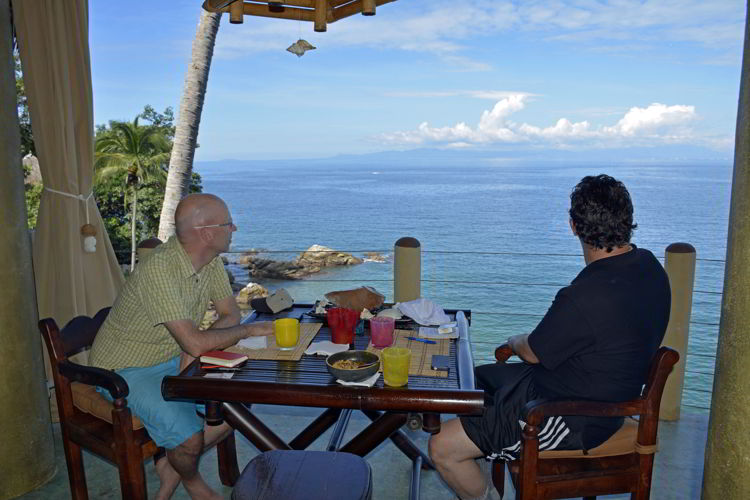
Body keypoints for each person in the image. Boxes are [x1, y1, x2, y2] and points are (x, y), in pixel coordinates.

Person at [428, 174, 671, 500]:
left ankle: (483, 487)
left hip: (573, 416)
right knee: (475, 381)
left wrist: (514, 340)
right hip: (587, 386)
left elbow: (532, 351)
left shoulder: (585, 295)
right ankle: (485, 447)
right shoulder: (649, 266)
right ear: (627, 219)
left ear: (573, 226)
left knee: (442, 447)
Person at [90, 193, 273, 500]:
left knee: (239, 403)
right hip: (125, 369)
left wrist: (194, 350)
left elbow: (230, 313)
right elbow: (207, 337)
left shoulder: (210, 261)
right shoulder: (159, 270)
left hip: (173, 356)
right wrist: (246, 331)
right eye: (229, 223)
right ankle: (191, 480)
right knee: (189, 440)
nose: (235, 229)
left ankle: (169, 465)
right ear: (207, 232)